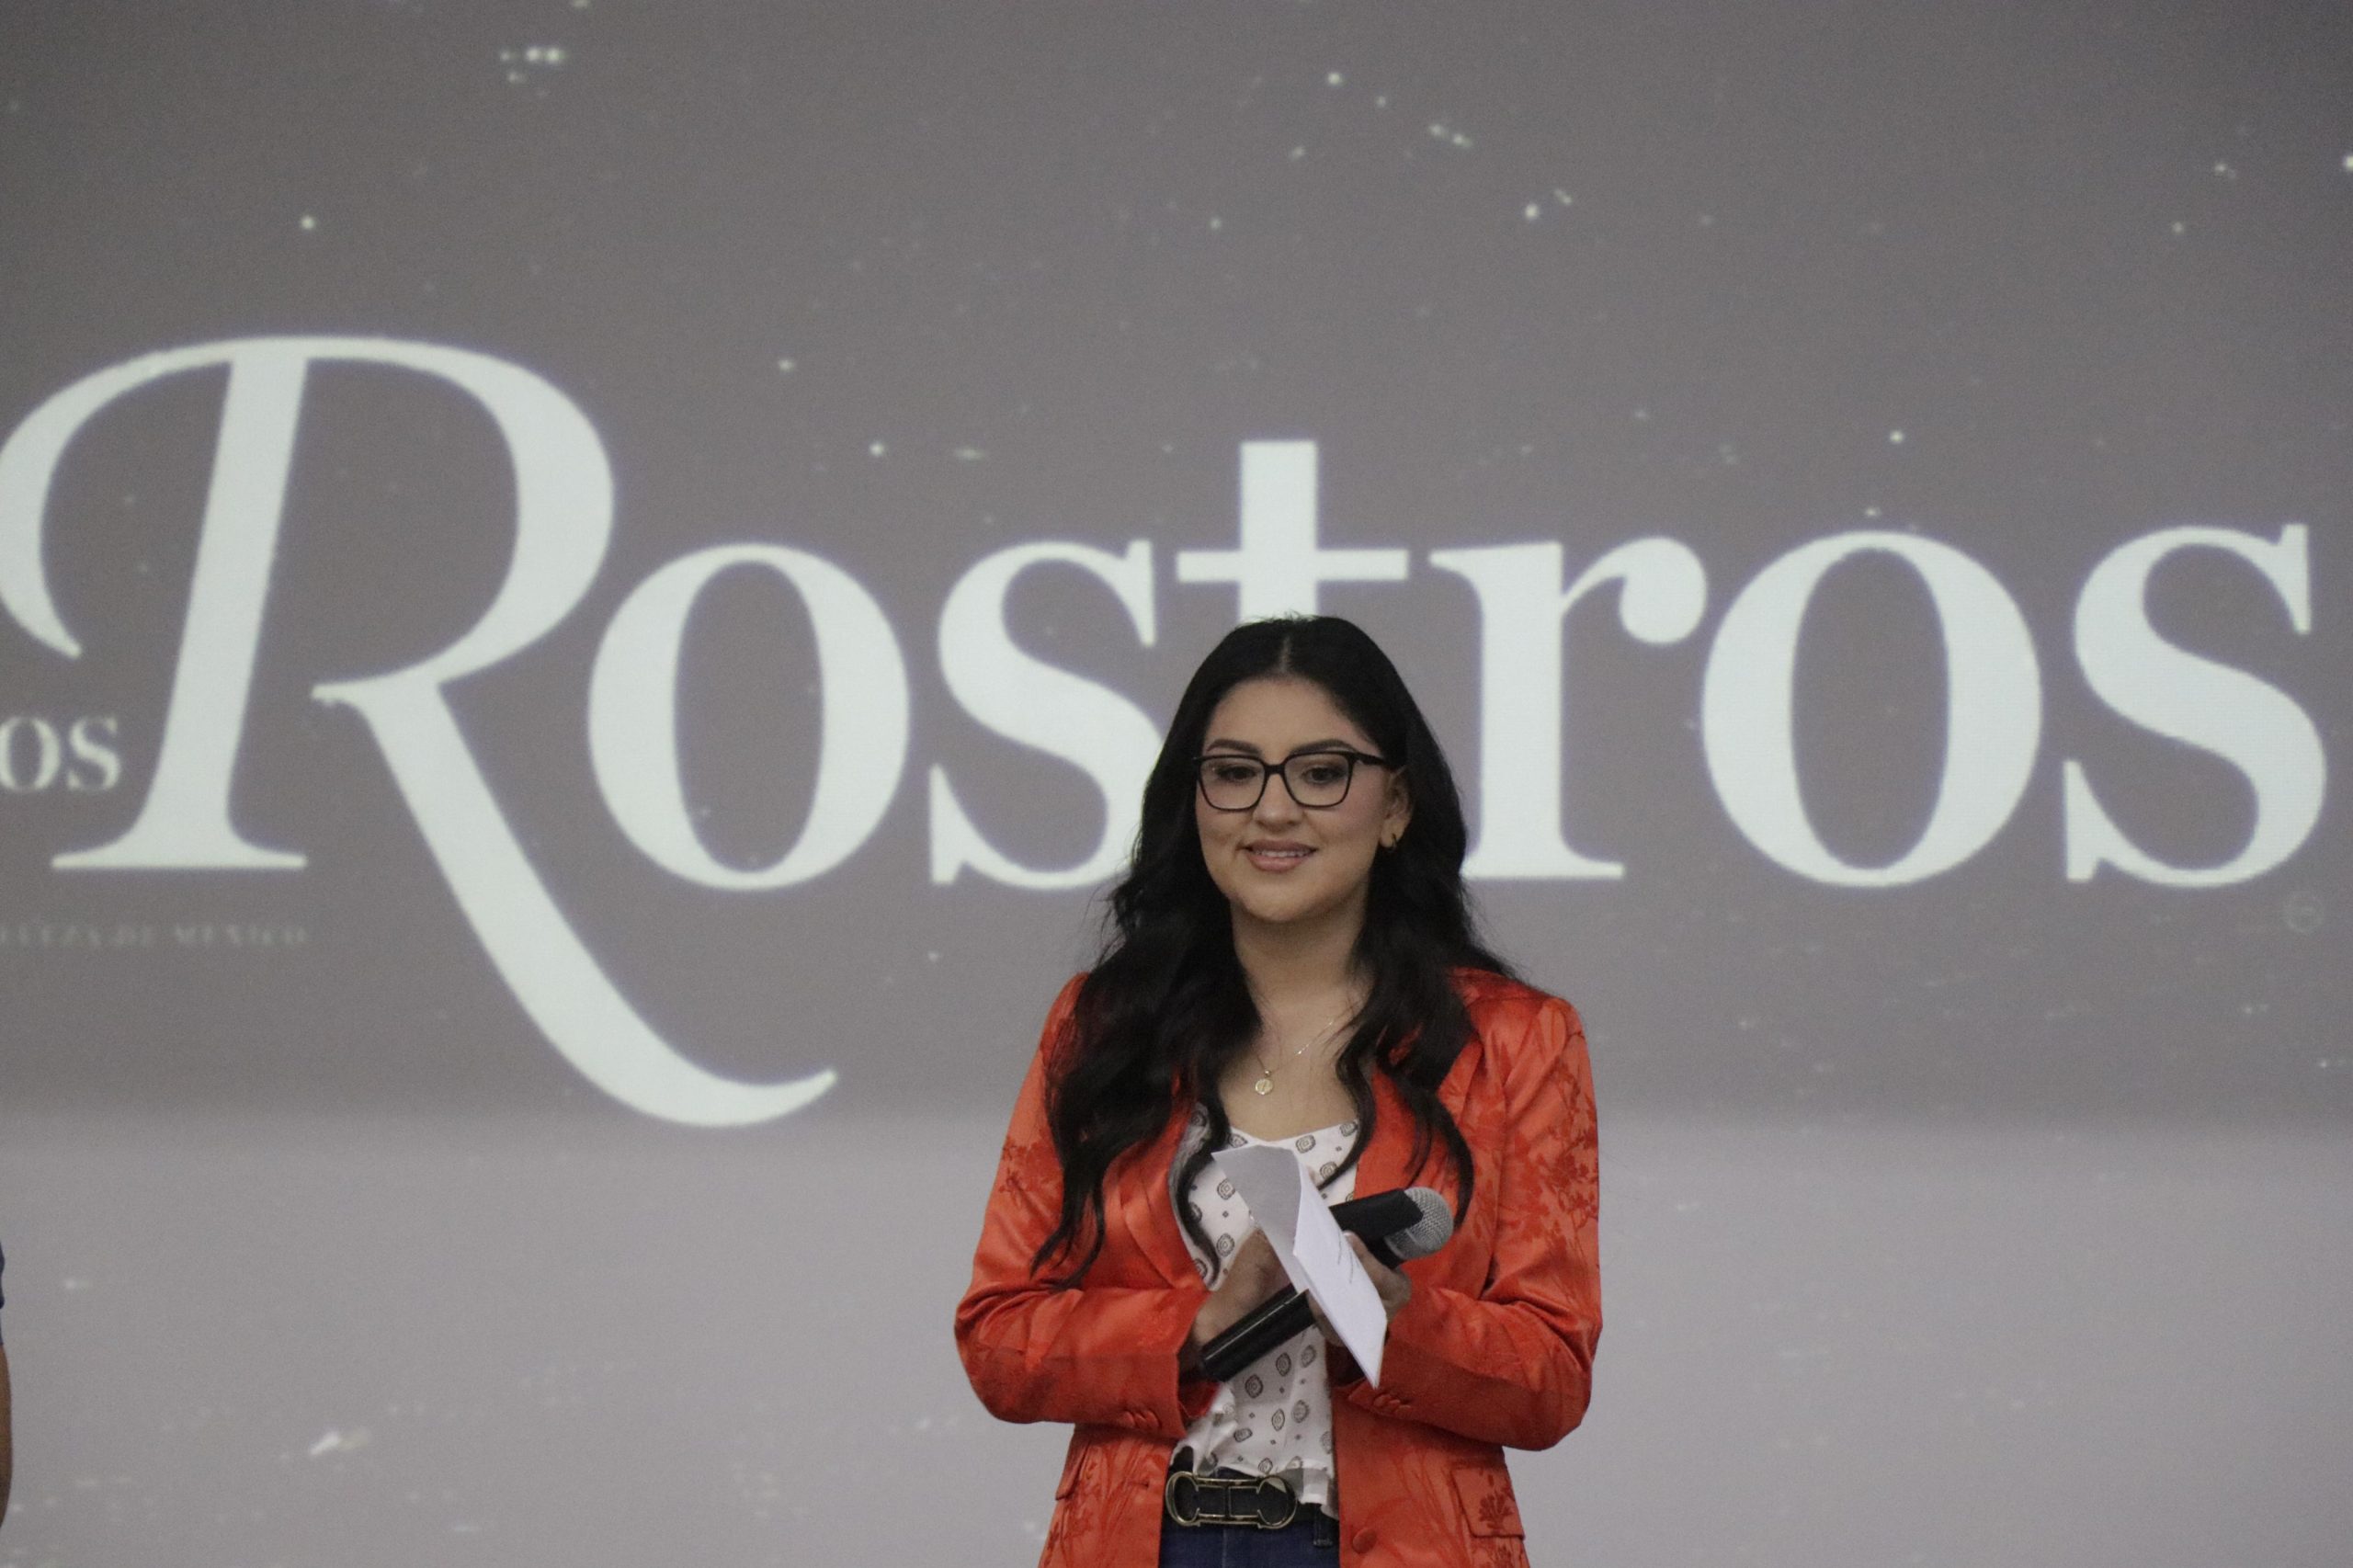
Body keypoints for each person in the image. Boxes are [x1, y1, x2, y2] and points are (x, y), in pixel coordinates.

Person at [956, 616, 1600, 1567]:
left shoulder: (1514, 1039)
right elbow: (998, 1339)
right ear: (1194, 801)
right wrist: (1193, 1325)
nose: (1272, 809)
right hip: (1148, 1541)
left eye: (1321, 772)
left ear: (1395, 804)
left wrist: (1392, 1319)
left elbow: (1551, 1378)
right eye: (1234, 772)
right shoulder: (1102, 1024)